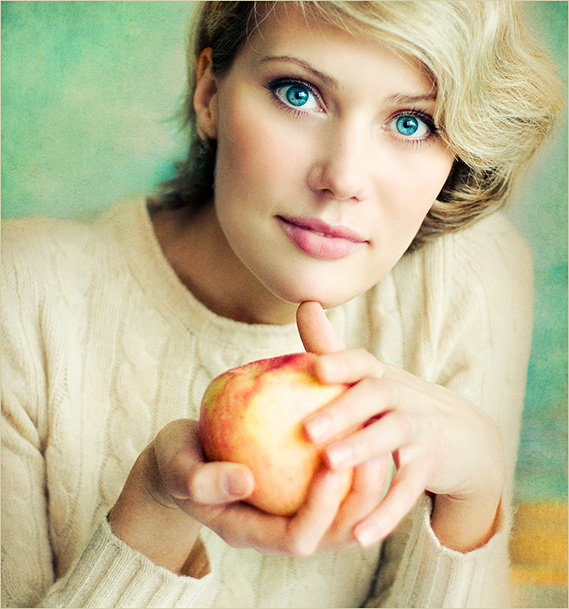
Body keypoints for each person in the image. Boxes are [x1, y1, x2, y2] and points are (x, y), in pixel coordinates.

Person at [1, 1, 563, 607]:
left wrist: (470, 506)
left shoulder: (469, 280)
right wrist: (155, 513)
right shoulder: (23, 294)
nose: (343, 177)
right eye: (298, 93)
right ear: (209, 94)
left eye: (411, 124)